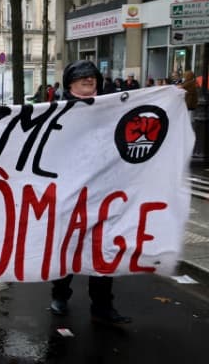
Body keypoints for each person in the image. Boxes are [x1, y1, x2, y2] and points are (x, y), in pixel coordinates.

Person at [49, 60, 131, 326]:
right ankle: (60, 294)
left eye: (92, 76)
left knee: (102, 251)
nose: (88, 80)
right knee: (69, 249)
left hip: (102, 192)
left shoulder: (111, 108)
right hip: (70, 194)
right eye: (82, 76)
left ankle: (102, 306)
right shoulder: (55, 111)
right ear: (70, 82)